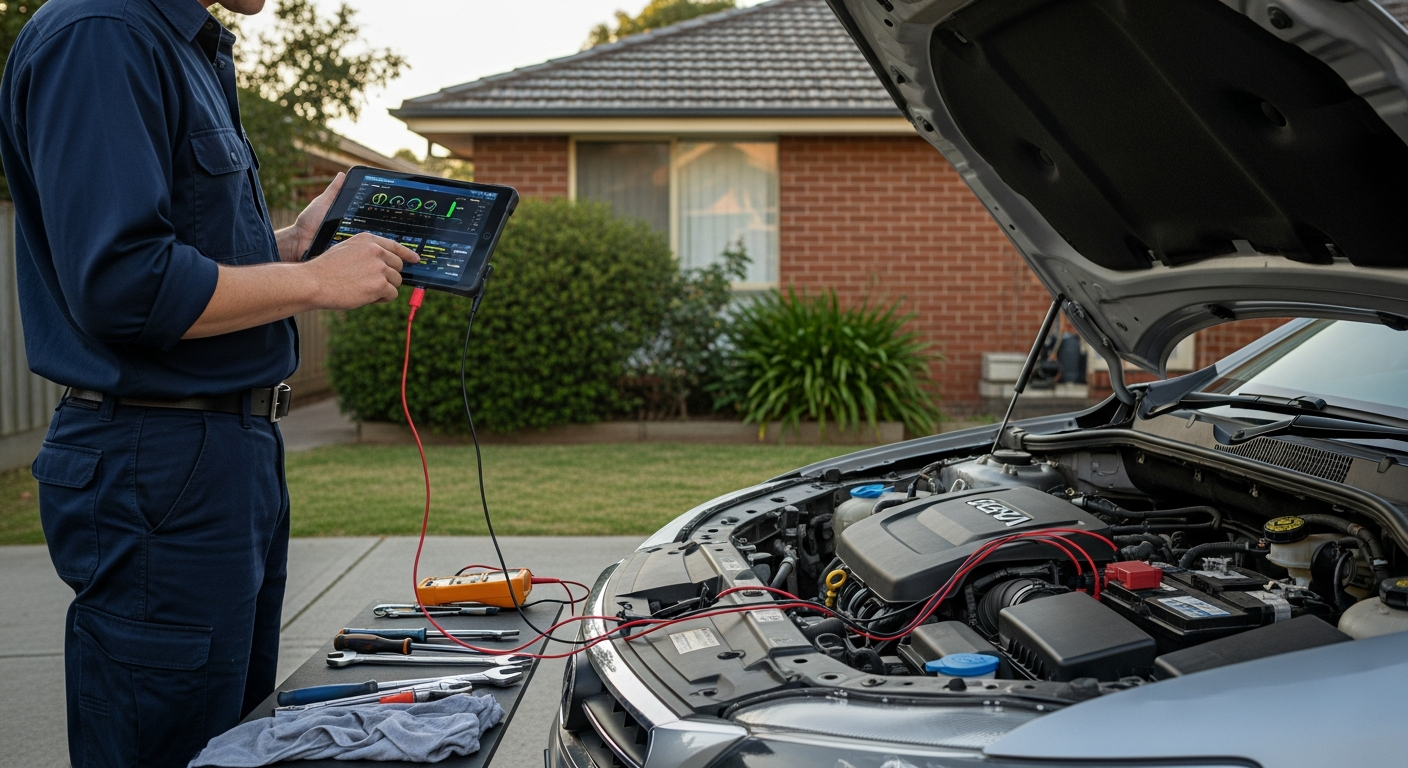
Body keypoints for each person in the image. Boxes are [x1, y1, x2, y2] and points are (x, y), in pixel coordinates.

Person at [0, 0, 420, 765]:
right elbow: (124, 284)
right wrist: (318, 283)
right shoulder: (103, 32)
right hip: (157, 460)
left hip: (222, 458)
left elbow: (185, 256)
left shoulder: (189, 43)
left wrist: (293, 246)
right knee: (166, 744)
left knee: (228, 743)